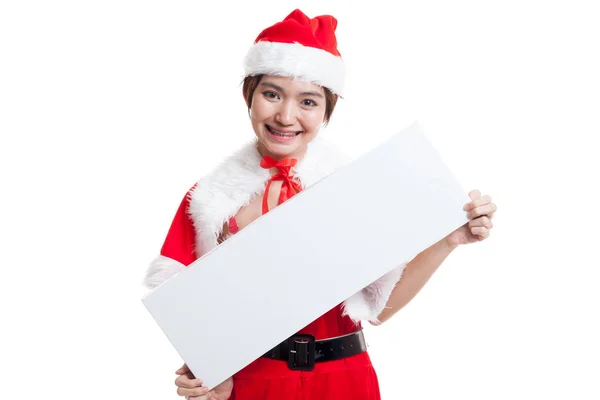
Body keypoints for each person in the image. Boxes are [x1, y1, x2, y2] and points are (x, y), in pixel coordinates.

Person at [143, 9, 497, 400]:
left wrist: (448, 239)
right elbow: (185, 311)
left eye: (308, 101)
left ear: (327, 111)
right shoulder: (209, 199)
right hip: (251, 385)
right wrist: (209, 374)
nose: (286, 116)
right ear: (249, 95)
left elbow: (378, 308)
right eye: (271, 94)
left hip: (345, 380)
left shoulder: (355, 191)